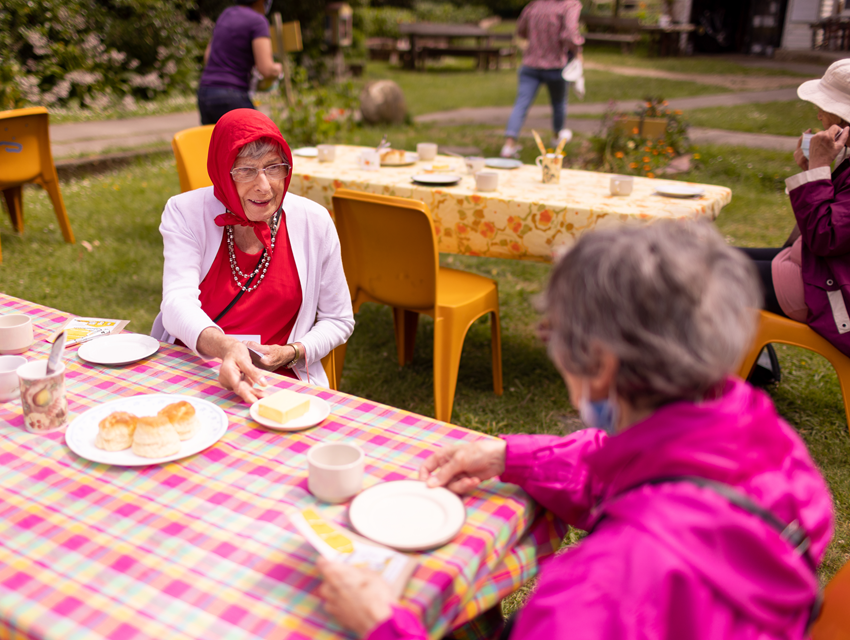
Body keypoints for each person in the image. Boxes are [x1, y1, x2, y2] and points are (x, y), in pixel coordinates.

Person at [318, 221, 834, 639]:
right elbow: (646, 470)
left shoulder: (598, 591)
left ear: (601, 364)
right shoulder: (758, 433)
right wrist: (510, 458)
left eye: (555, 335)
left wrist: (383, 624)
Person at [151, 109, 354, 401]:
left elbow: (338, 319)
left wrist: (293, 352)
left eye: (274, 167)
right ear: (223, 172)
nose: (264, 185)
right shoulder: (185, 212)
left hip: (276, 377)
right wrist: (226, 348)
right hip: (197, 366)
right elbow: (175, 303)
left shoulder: (314, 221)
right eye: (246, 170)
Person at [738, 58, 850, 361]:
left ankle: (725, 370)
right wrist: (811, 173)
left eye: (825, 107)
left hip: (829, 291)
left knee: (695, 275)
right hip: (814, 269)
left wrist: (818, 168)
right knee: (712, 258)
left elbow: (824, 237)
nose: (819, 114)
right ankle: (749, 364)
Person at [500, 0, 584, 159]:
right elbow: (570, 33)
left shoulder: (535, 5)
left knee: (521, 104)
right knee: (559, 103)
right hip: (556, 65)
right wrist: (577, 51)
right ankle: (556, 138)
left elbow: (521, 30)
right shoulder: (569, 5)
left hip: (530, 64)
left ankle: (508, 146)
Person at [197, 0, 283, 125]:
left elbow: (207, 57)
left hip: (205, 92)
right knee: (257, 140)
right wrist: (277, 69)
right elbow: (266, 69)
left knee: (217, 143)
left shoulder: (226, 14)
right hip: (232, 95)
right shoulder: (258, 21)